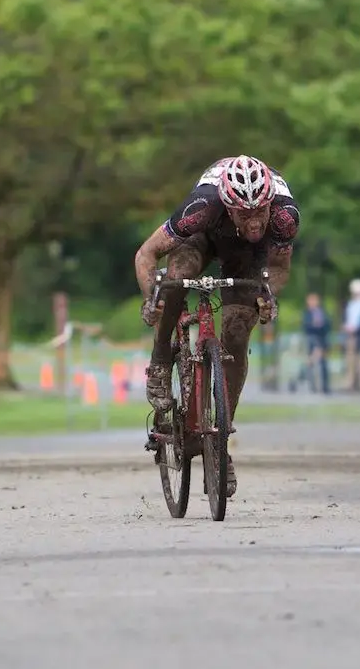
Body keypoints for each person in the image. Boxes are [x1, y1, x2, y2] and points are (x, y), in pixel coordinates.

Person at [134, 155, 299, 497]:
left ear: (271, 204)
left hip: (249, 258)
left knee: (237, 330)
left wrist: (267, 293)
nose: (255, 222)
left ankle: (219, 439)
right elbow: (146, 254)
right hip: (205, 237)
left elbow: (279, 267)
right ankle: (161, 361)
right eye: (245, 213)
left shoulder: (284, 216)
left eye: (260, 213)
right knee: (177, 278)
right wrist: (152, 296)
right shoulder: (201, 207)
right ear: (228, 204)